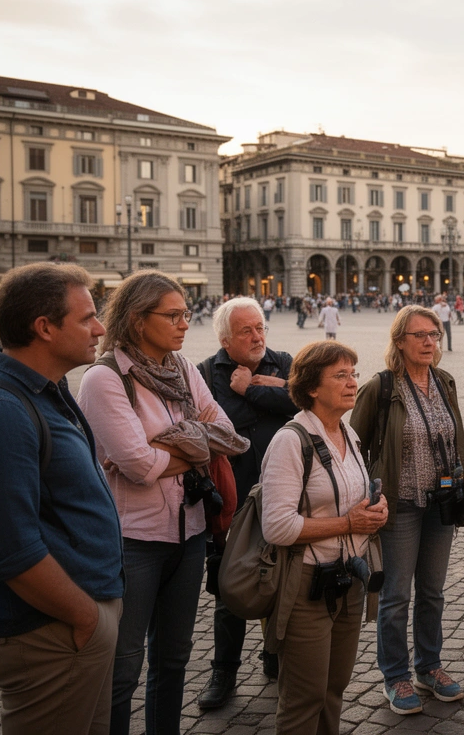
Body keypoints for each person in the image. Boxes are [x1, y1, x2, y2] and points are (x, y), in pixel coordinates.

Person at [0, 263, 124, 735]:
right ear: (44, 328)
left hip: (71, 624)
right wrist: (86, 618)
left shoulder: (44, 390)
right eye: (87, 318)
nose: (100, 328)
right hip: (48, 632)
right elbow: (11, 552)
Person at [78, 270, 249, 735]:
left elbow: (227, 435)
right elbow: (138, 465)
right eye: (173, 315)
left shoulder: (183, 369)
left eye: (185, 313)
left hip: (190, 533)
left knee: (173, 658)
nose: (185, 324)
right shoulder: (105, 379)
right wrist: (193, 443)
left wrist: (166, 445)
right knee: (123, 666)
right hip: (133, 541)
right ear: (137, 319)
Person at [349, 306, 464, 715]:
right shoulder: (382, 387)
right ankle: (395, 675)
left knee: (433, 592)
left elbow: (455, 440)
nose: (428, 342)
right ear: (400, 340)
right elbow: (354, 446)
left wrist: (462, 490)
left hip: (441, 504)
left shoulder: (444, 381)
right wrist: (368, 497)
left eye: (433, 334)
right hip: (400, 505)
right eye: (419, 335)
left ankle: (429, 666)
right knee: (397, 595)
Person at [260, 341, 389, 735]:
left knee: (334, 690)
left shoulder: (348, 433)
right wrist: (348, 524)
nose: (353, 382)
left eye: (353, 373)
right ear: (312, 388)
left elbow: (352, 495)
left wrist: (376, 507)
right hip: (306, 585)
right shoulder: (290, 440)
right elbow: (277, 526)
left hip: (348, 580)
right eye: (340, 375)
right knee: (304, 698)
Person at [196, 297, 298, 709]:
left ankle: (275, 656)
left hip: (286, 496)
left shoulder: (285, 362)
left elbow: (304, 402)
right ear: (225, 340)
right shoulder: (205, 374)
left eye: (260, 328)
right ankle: (224, 671)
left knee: (285, 582)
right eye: (246, 331)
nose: (257, 337)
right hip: (234, 501)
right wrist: (271, 391)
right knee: (230, 588)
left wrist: (252, 388)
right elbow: (214, 428)